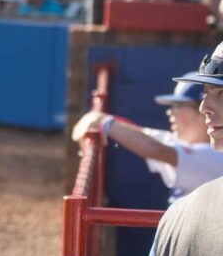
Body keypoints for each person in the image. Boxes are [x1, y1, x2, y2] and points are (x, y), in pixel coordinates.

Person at [140, 43, 223, 256]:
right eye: (206, 92)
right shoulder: (175, 217)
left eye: (222, 94)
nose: (205, 107)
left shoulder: (175, 217)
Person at [72, 73, 223, 203]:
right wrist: (103, 120)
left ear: (203, 113)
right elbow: (141, 134)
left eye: (178, 105)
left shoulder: (215, 156)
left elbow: (153, 148)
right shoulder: (183, 143)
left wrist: (103, 122)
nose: (171, 112)